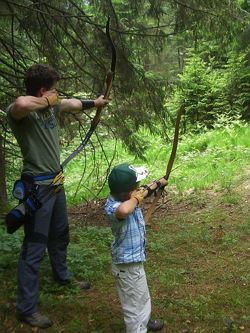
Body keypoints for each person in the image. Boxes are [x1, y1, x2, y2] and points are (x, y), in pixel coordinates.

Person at [6, 64, 109, 329]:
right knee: (34, 246)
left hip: (55, 185)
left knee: (60, 234)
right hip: (37, 189)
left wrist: (94, 103)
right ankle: (26, 308)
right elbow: (18, 103)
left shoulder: (52, 105)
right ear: (42, 90)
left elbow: (72, 103)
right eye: (52, 87)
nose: (56, 92)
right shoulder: (21, 113)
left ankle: (62, 276)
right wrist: (45, 101)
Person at [105, 163, 167, 332]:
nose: (139, 190)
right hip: (126, 266)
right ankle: (137, 328)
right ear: (127, 192)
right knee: (133, 307)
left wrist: (156, 189)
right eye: (136, 187)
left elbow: (142, 222)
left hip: (133, 263)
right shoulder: (114, 207)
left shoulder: (128, 202)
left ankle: (144, 320)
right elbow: (124, 211)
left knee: (142, 297)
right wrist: (137, 197)